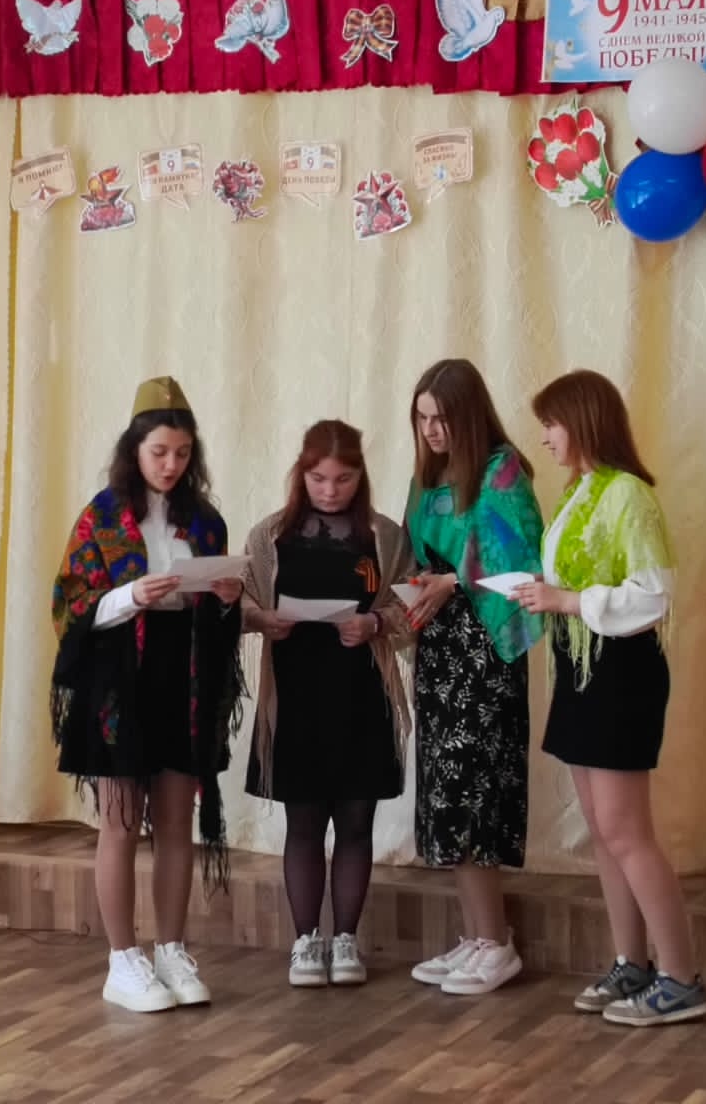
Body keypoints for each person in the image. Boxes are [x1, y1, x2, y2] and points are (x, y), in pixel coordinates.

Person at [512, 369, 706, 1027]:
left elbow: (653, 596)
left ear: (583, 421)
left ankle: (681, 977)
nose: (545, 437)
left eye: (551, 424)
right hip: (581, 669)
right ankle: (633, 963)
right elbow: (578, 579)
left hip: (621, 673)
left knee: (627, 830)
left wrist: (566, 600)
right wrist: (542, 589)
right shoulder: (580, 492)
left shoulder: (630, 495)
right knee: (601, 829)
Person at [49, 375, 246, 1013]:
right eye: (159, 452)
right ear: (134, 449)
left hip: (182, 678)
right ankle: (121, 959)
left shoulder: (205, 523)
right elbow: (69, 605)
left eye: (182, 454)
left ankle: (171, 950)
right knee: (119, 824)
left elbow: (221, 617)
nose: (170, 465)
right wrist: (130, 595)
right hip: (120, 683)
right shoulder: (102, 517)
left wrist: (225, 598)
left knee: (176, 824)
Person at [240, 420, 414, 988]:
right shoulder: (270, 536)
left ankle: (346, 940)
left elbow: (412, 608)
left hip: (363, 695)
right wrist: (263, 619)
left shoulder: (384, 537)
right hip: (295, 696)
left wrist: (375, 623)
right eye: (318, 479)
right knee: (304, 822)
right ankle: (305, 941)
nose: (330, 490)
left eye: (343, 479)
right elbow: (238, 603)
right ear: (301, 473)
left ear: (361, 476)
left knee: (357, 821)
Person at [403, 358, 544, 995]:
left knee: (476, 793)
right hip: (440, 652)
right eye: (422, 418)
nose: (432, 430)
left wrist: (453, 581)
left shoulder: (502, 470)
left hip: (484, 653)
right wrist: (415, 588)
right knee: (445, 793)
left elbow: (524, 559)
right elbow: (416, 554)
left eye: (442, 418)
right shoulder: (427, 477)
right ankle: (476, 936)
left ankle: (497, 942)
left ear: (469, 415)